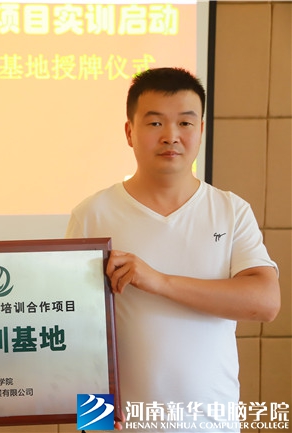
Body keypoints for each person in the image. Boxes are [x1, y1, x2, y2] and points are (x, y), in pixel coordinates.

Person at [65, 67, 280, 432]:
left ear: (201, 130)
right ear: (129, 132)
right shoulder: (92, 214)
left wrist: (159, 281)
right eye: (155, 123)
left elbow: (265, 302)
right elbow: (77, 329)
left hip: (213, 424)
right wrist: (94, 422)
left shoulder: (230, 210)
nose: (171, 136)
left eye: (185, 123)